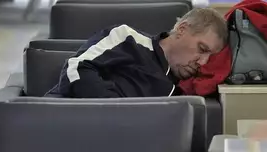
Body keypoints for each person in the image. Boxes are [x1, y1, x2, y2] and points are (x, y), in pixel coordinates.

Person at [51, 8, 229, 98]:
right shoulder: (127, 39)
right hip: (63, 118)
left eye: (209, 57)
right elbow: (75, 68)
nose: (203, 62)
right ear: (182, 29)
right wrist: (120, 111)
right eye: (202, 49)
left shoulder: (180, 90)